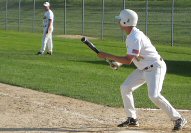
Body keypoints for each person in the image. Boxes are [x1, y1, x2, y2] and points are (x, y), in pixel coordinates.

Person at [97, 9, 187, 131]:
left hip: (155, 68)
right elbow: (133, 57)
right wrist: (118, 63)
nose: (118, 22)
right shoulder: (132, 35)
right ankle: (132, 119)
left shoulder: (135, 37)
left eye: (120, 20)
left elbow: (128, 60)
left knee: (154, 95)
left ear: (125, 21)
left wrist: (107, 55)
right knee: (125, 87)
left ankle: (178, 118)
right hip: (143, 69)